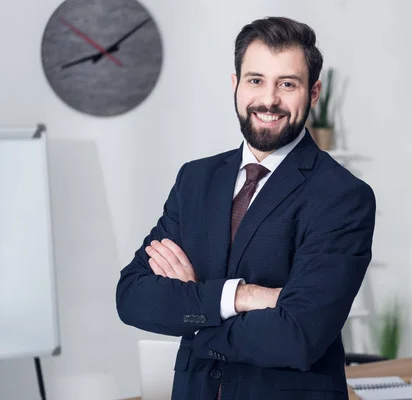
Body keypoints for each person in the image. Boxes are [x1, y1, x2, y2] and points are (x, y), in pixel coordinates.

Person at [116, 16, 376, 400]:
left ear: (315, 92)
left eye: (287, 84)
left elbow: (297, 336)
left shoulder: (342, 197)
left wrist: (195, 312)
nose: (269, 100)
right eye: (256, 80)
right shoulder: (195, 180)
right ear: (235, 84)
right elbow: (133, 296)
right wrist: (239, 297)